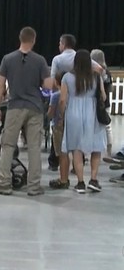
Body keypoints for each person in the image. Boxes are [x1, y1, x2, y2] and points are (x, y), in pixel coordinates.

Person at [0, 27, 52, 196]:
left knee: (7, 145)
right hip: (35, 107)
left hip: (15, 107)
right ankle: (34, 186)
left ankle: (3, 183)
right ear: (34, 40)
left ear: (20, 38)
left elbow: (0, 86)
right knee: (34, 147)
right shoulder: (40, 60)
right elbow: (47, 86)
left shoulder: (8, 59)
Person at [58, 50, 107, 193]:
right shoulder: (97, 77)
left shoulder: (67, 77)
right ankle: (93, 179)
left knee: (76, 148)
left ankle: (80, 183)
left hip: (73, 112)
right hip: (92, 113)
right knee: (96, 146)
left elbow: (62, 100)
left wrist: (62, 115)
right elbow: (103, 97)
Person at [90, 49, 113, 157]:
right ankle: (109, 150)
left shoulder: (93, 72)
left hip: (95, 102)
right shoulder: (107, 72)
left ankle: (92, 149)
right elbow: (109, 88)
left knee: (93, 126)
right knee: (107, 126)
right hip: (105, 102)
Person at [47, 73, 65, 175]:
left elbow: (51, 112)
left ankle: (57, 167)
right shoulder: (69, 94)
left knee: (58, 148)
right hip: (68, 123)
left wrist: (46, 118)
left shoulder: (55, 96)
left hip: (57, 124)